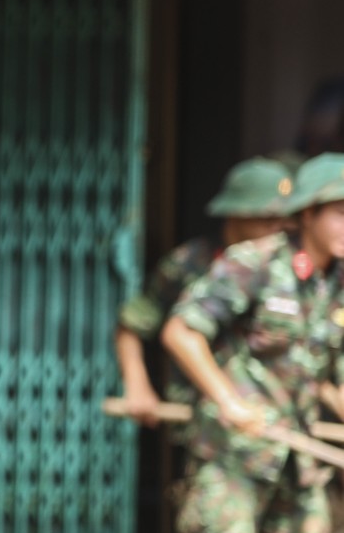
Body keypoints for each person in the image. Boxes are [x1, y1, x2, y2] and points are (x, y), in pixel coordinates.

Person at [162, 152, 344, 533]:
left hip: (299, 450)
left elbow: (330, 376)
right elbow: (181, 332)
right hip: (236, 448)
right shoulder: (255, 263)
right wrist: (228, 401)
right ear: (307, 214)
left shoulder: (336, 284)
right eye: (340, 211)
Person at [115, 158, 291, 427]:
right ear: (236, 213)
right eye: (266, 219)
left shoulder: (284, 269)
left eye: (283, 221)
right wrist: (137, 384)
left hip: (264, 422)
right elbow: (134, 324)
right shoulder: (191, 262)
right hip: (203, 419)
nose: (275, 230)